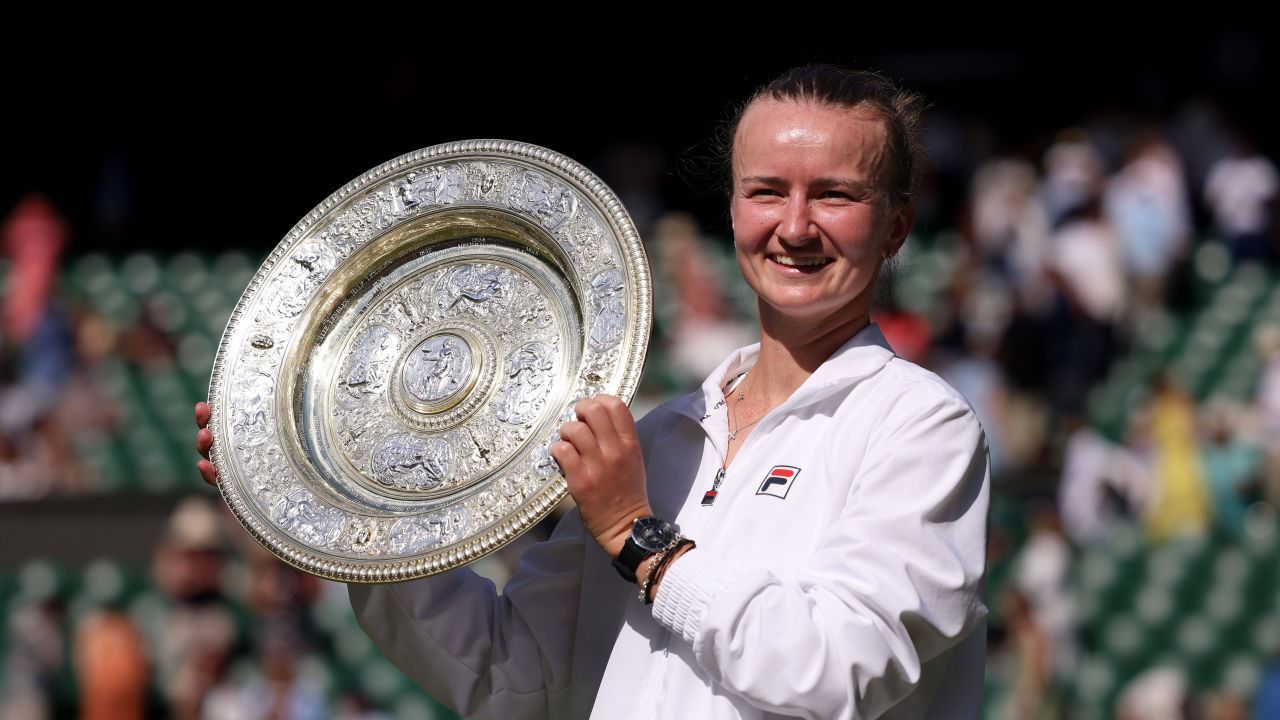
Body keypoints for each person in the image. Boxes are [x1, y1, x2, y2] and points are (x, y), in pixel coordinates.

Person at [195, 63, 991, 719]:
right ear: (733, 207)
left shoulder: (921, 427)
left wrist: (640, 538)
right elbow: (518, 681)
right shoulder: (658, 437)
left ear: (895, 226)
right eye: (767, 190)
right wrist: (347, 521)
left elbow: (841, 669)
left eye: (835, 195)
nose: (794, 224)